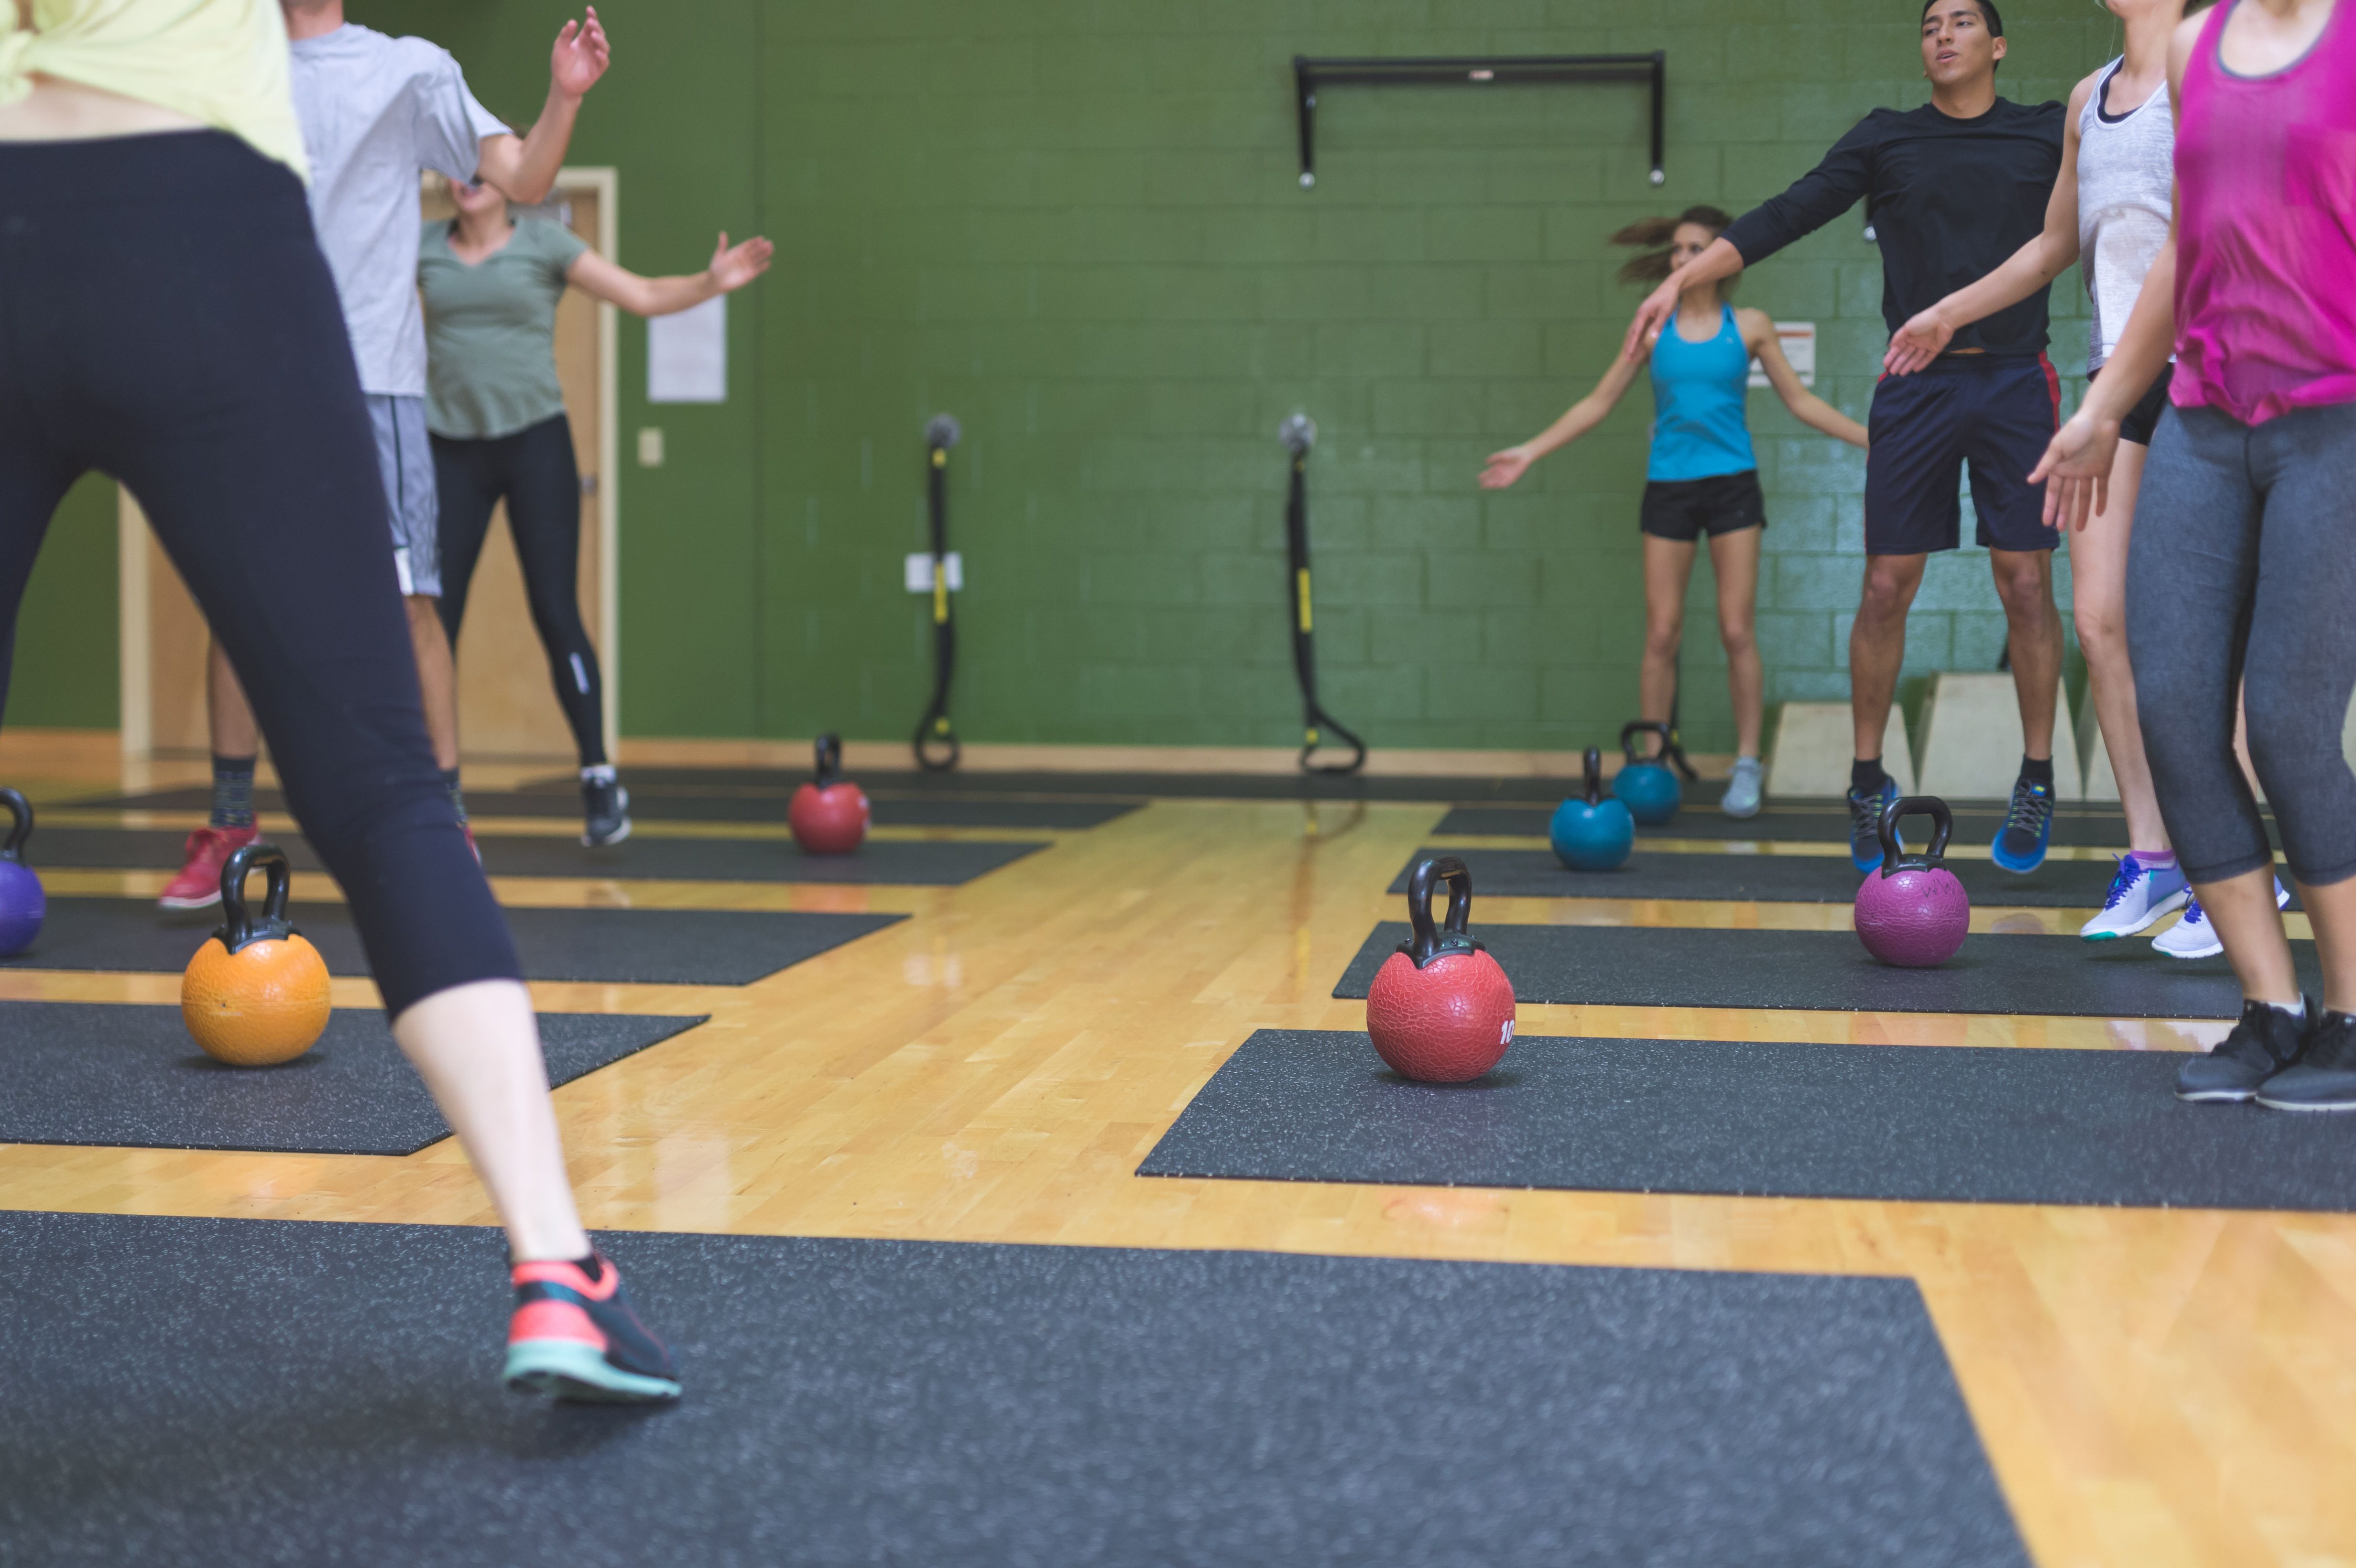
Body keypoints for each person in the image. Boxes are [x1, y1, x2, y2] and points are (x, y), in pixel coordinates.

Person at [0, 0, 678, 1400]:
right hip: (193, 206)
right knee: (381, 787)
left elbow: (523, 169)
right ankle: (558, 1269)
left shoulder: (411, 84)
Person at [159, 0, 606, 909]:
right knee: (237, 607)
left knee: (409, 607)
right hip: (253, 383)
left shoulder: (408, 69)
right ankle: (231, 825)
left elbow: (519, 176)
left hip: (373, 378)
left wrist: (563, 97)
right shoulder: (215, 64)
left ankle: (445, 823)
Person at [1624, 0, 2071, 873]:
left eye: (1960, 23)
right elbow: (1783, 215)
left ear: (1997, 45)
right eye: (1928, 24)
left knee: (2023, 581)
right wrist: (1676, 286)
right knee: (1882, 586)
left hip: (2017, 378)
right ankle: (1866, 782)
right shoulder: (1886, 138)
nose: (1941, 34)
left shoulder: (2048, 134)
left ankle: (2037, 773)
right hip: (1915, 383)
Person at [2031, 0, 2356, 1107]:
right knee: (2172, 707)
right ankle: (2272, 1008)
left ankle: (2351, 1018)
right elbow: (2185, 244)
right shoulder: (2192, 49)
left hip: (2337, 420)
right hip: (2207, 420)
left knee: (2289, 725)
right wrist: (2105, 406)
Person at [1882, 0, 2243, 951]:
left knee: (2207, 630)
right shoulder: (2090, 98)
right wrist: (1947, 313)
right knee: (2098, 620)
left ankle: (2234, 870)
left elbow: (2202, 232)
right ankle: (2155, 856)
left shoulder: (2211, 69)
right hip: (2107, 384)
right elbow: (2056, 245)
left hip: (2207, 370)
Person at [1481, 207, 1867, 818]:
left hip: (1732, 487)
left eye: (1694, 249)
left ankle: (1746, 763)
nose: (1680, 260)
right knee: (1661, 632)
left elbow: (1801, 404)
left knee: (1735, 629)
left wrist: (1874, 438)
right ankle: (1651, 759)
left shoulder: (1750, 326)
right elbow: (1598, 401)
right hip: (1668, 488)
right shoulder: (1652, 326)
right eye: (1676, 249)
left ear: (1721, 259)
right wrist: (1529, 450)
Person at [420, 178, 774, 846]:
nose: (468, 179)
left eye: (484, 166)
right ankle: (437, 793)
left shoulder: (547, 242)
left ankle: (598, 777)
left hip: (534, 446)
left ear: (511, 181)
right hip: (450, 454)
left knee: (556, 612)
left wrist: (709, 282)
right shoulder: (422, 249)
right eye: (456, 166)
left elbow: (639, 294)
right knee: (433, 623)